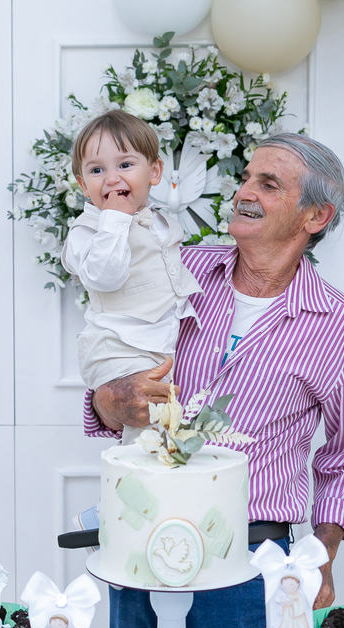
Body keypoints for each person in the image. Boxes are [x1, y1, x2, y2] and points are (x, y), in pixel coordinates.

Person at [84, 133, 344, 628]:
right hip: (143, 546)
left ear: (314, 215)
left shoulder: (340, 326)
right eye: (245, 177)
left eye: (267, 184)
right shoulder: (175, 269)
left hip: (254, 566)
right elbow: (111, 351)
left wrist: (325, 553)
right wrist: (107, 399)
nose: (243, 191)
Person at [63, 110, 201, 444]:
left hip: (151, 342)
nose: (111, 178)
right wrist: (113, 221)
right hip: (117, 347)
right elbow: (104, 276)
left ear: (154, 171)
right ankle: (136, 493)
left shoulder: (159, 221)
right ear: (83, 185)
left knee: (168, 430)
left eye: (125, 165)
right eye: (97, 170)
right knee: (147, 436)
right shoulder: (87, 231)